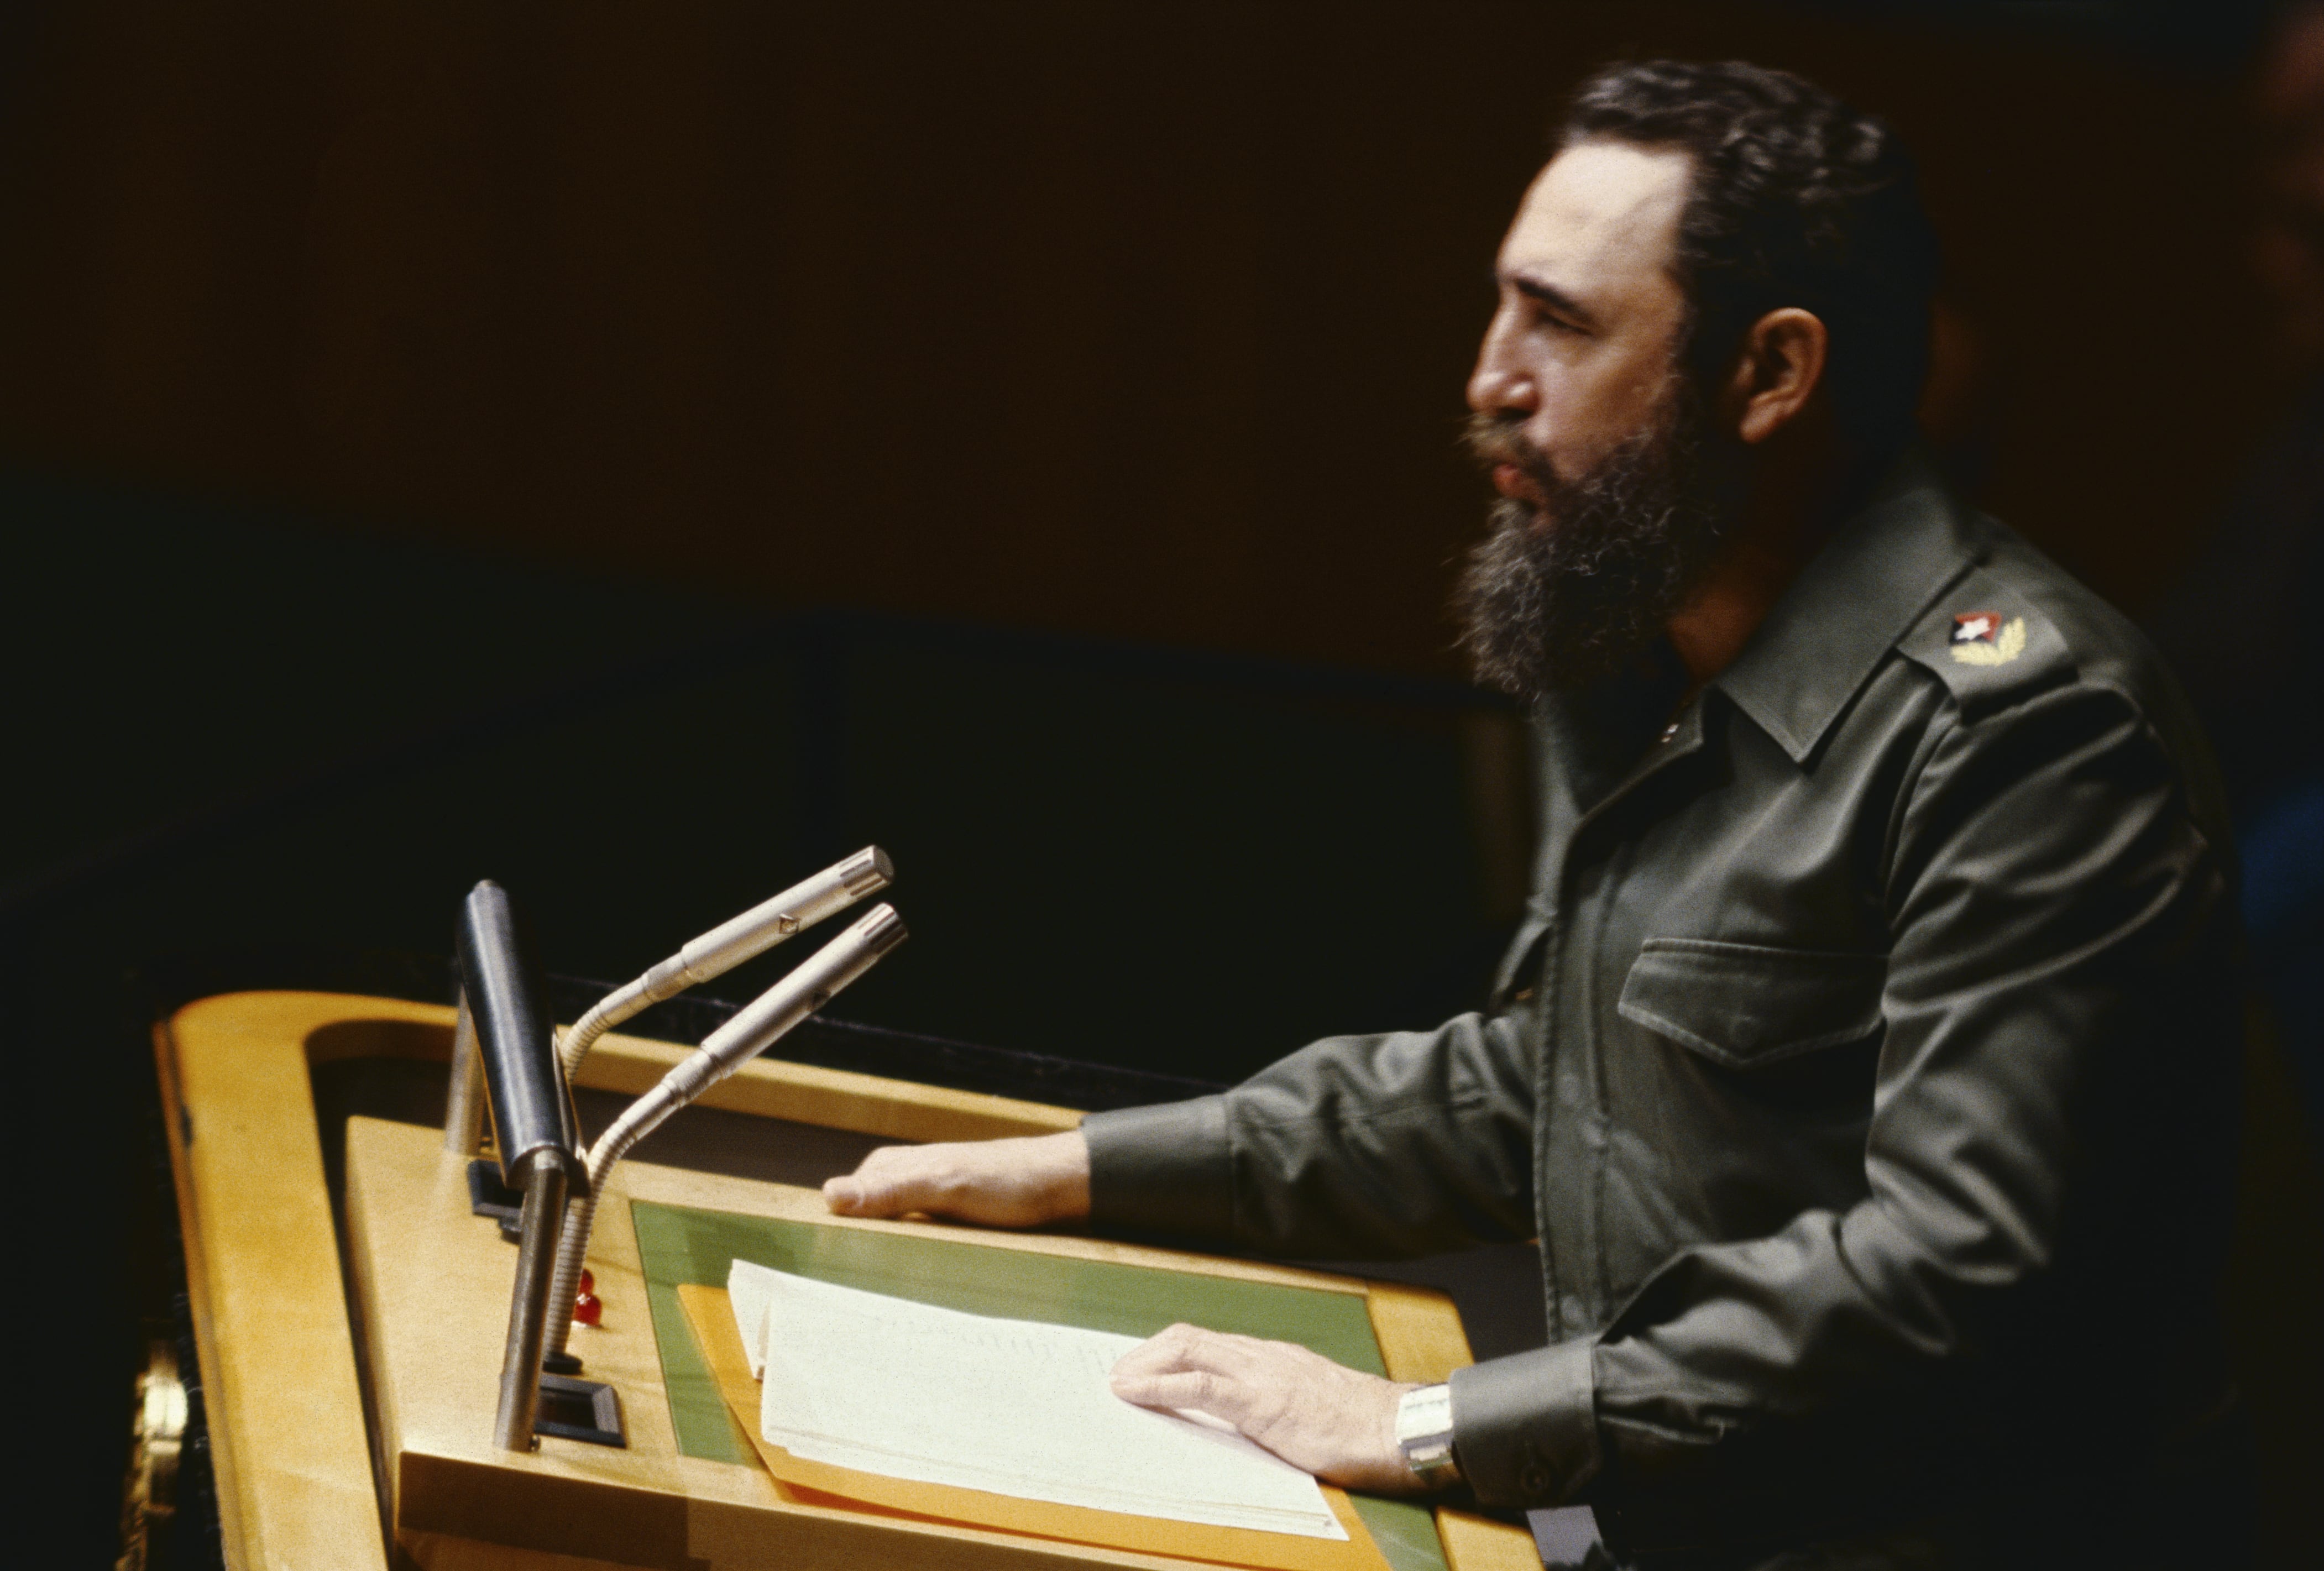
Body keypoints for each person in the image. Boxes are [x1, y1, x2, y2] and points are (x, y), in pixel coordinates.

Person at [825, 60, 2249, 1569]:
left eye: (1559, 322)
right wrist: (1079, 1166)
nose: (1488, 377)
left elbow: (1953, 1269)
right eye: (1506, 305)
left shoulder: (2029, 725)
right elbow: (1541, 1085)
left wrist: (1424, 1423)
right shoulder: (1645, 656)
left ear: (1767, 375)